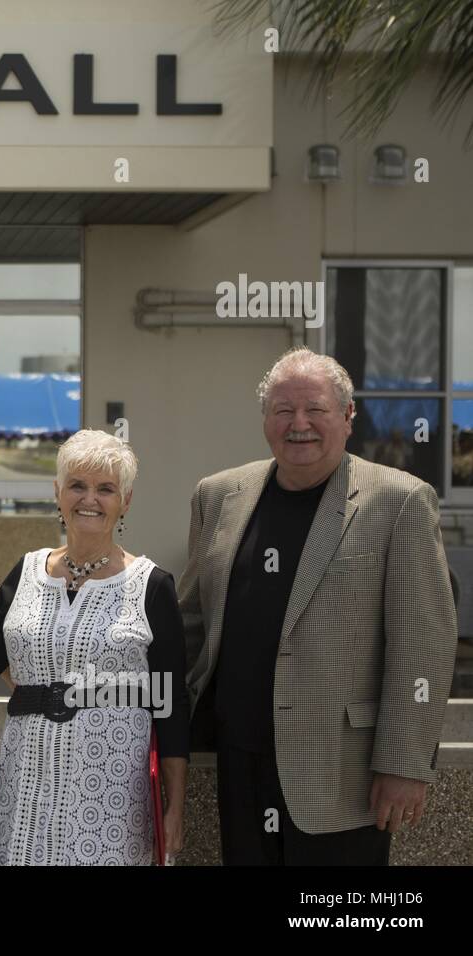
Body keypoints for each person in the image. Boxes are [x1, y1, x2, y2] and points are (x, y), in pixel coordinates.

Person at [180, 347, 458, 865]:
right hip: (239, 763)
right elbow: (192, 621)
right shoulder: (219, 495)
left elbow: (424, 645)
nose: (298, 424)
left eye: (316, 409)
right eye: (283, 410)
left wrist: (405, 764)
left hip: (343, 777)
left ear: (348, 416)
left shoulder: (400, 501)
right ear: (266, 419)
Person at [0, 429, 189, 865]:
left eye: (106, 489)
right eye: (78, 485)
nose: (90, 499)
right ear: (57, 492)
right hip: (23, 786)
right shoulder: (26, 572)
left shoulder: (152, 586)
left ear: (126, 501)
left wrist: (175, 805)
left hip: (113, 793)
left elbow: (172, 701)